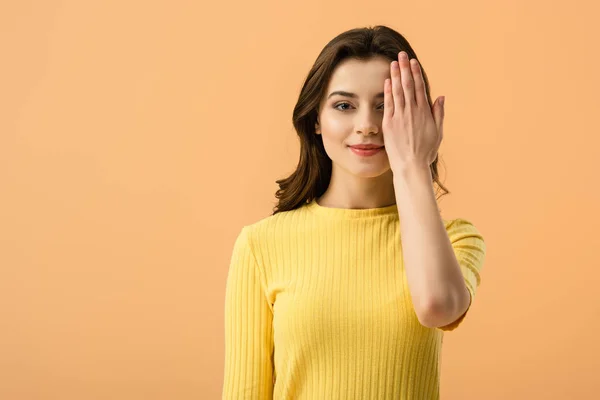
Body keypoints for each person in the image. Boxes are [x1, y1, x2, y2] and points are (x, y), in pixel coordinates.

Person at [222, 25, 486, 400]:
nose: (366, 125)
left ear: (415, 119)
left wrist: (413, 163)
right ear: (316, 119)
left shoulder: (458, 240)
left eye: (386, 107)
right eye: (344, 105)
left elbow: (436, 307)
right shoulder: (260, 245)